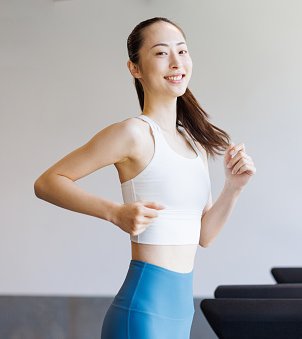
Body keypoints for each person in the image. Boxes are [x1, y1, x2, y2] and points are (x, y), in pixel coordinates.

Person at [34, 17, 256, 339]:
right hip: (142, 314)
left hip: (180, 314)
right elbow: (47, 182)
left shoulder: (193, 142)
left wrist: (233, 188)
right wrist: (114, 213)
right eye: (161, 53)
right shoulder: (133, 133)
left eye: (182, 51)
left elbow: (203, 235)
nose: (176, 62)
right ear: (135, 68)